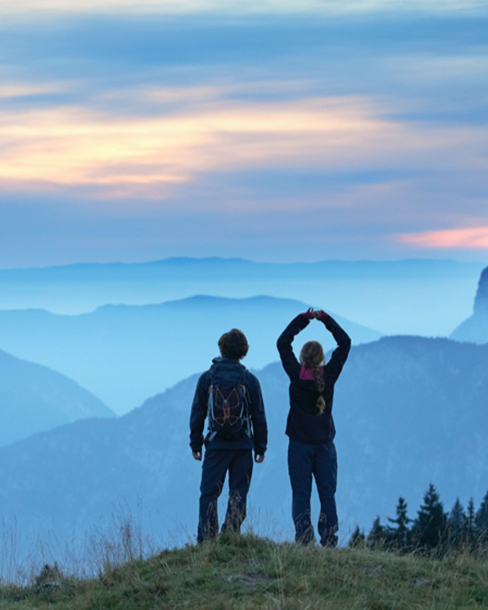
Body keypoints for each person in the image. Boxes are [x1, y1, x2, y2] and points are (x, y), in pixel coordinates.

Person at [277, 307, 351, 547]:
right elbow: (345, 343)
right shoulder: (329, 375)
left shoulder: (295, 375)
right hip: (324, 445)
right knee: (327, 493)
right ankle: (329, 538)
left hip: (298, 445)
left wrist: (304, 319)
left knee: (301, 494)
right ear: (322, 359)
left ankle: (303, 538)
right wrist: (325, 319)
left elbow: (282, 342)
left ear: (301, 358)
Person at [190, 328, 268, 543]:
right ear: (243, 351)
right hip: (242, 446)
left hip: (215, 446)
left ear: (221, 348)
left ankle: (207, 541)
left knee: (209, 494)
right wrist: (260, 447)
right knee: (238, 494)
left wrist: (195, 444)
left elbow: (198, 413)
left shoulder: (207, 379)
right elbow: (258, 416)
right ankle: (230, 537)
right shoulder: (249, 381)